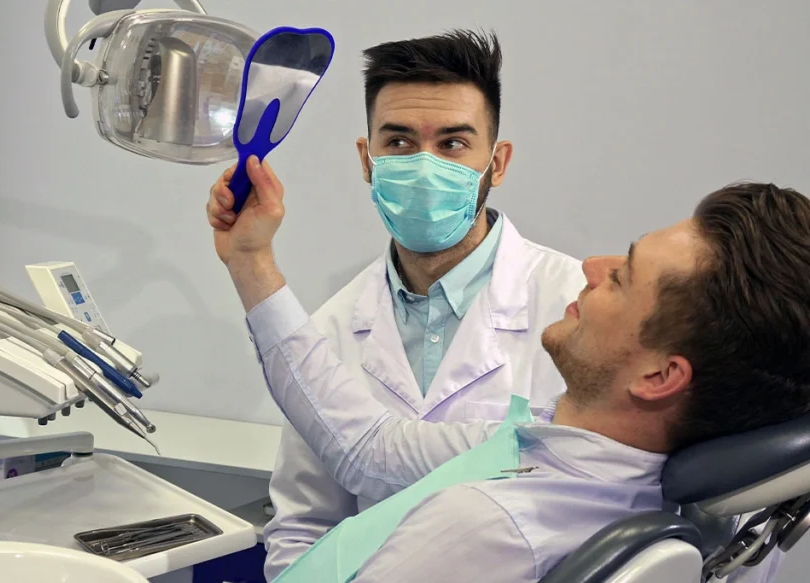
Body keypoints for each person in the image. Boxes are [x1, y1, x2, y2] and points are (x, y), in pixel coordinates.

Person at [210, 155, 809, 581]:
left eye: (622, 275)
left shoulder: (488, 528)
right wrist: (250, 260)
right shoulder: (594, 465)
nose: (592, 267)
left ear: (658, 378)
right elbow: (369, 448)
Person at [206, 29, 585, 579]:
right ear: (367, 158)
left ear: (496, 164)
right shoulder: (330, 328)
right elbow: (304, 524)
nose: (425, 166)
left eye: (453, 144)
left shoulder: (574, 307)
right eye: (400, 143)